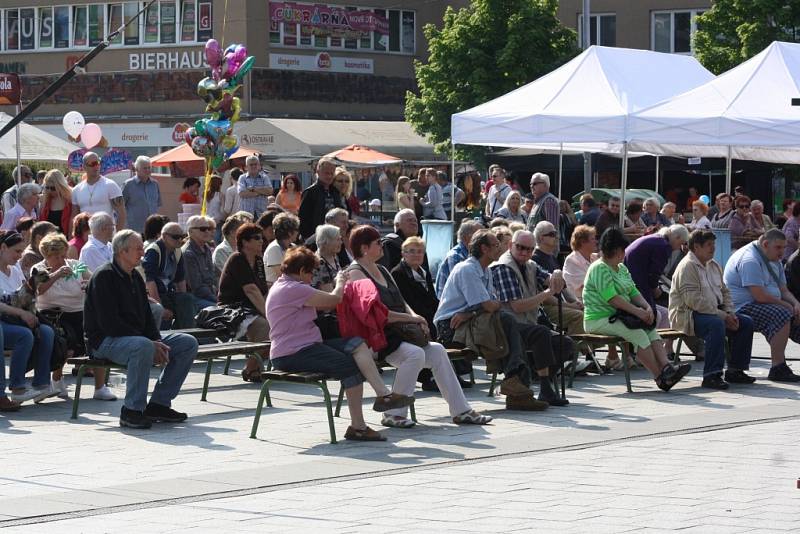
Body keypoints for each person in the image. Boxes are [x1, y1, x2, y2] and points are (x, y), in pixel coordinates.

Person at [347, 226, 492, 427]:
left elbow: (402, 301)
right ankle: (393, 413)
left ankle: (461, 410)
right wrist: (412, 320)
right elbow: (376, 314)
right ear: (364, 248)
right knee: (415, 354)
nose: (382, 246)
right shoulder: (356, 274)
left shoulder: (381, 269)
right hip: (376, 338)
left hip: (398, 333)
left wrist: (416, 316)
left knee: (438, 350)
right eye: (378, 243)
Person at [268, 247, 416, 441]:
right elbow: (333, 300)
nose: (312, 277)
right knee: (350, 367)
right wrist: (340, 281)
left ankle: (383, 394)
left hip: (305, 344)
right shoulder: (293, 288)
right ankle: (358, 427)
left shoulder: (286, 285)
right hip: (292, 353)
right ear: (302, 270)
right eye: (311, 272)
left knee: (357, 343)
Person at [84, 229, 198, 429]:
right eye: (138, 249)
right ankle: (131, 411)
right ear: (122, 251)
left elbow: (146, 316)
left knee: (187, 343)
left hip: (134, 338)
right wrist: (149, 343)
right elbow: (109, 323)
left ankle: (159, 404)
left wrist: (157, 341)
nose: (142, 253)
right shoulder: (104, 277)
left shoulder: (135, 276)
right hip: (104, 341)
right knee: (143, 346)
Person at [434, 229, 553, 410]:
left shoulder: (486, 271)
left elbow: (491, 305)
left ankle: (517, 385)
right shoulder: (467, 269)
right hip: (451, 327)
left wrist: (474, 312)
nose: (501, 248)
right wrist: (479, 310)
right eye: (497, 245)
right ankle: (514, 383)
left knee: (533, 331)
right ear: (484, 249)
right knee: (505, 321)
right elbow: (490, 306)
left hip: (473, 320)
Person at [583, 227, 691, 391]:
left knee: (650, 328)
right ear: (618, 250)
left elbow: (633, 291)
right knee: (638, 333)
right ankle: (660, 378)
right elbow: (612, 299)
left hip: (619, 316)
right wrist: (638, 312)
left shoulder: (621, 268)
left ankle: (667, 367)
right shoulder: (599, 268)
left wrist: (646, 307)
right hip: (598, 319)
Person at [490, 229, 576, 405]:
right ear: (510, 245)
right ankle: (544, 386)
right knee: (541, 332)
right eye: (520, 247)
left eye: (529, 250)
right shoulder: (503, 267)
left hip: (526, 323)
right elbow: (517, 305)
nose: (524, 252)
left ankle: (536, 377)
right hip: (506, 325)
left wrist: (557, 274)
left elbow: (549, 278)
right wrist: (548, 292)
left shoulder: (530, 265)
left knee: (566, 343)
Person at [34, 232, 116, 401]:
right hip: (53, 315)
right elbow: (38, 290)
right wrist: (56, 274)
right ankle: (56, 379)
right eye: (56, 257)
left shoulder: (76, 265)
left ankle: (100, 387)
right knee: (65, 340)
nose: (62, 260)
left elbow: (95, 280)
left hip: (80, 312)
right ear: (46, 256)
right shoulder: (40, 269)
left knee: (98, 336)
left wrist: (89, 285)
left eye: (63, 255)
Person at [670, 230, 755, 389]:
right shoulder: (687, 266)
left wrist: (730, 313)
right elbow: (694, 301)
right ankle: (712, 375)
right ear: (696, 246)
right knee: (716, 325)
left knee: (745, 323)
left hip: (714, 312)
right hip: (687, 315)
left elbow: (725, 292)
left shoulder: (713, 265)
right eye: (709, 245)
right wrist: (723, 316)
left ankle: (736, 370)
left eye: (713, 244)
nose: (713, 248)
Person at [724, 229, 800, 382]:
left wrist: (796, 304)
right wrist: (787, 306)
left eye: (784, 247)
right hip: (740, 307)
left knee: (793, 312)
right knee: (782, 313)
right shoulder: (750, 259)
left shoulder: (773, 258)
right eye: (778, 248)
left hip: (761, 303)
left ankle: (780, 365)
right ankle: (778, 366)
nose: (782, 252)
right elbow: (759, 296)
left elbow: (783, 290)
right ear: (765, 244)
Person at [0, 230, 56, 407]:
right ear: (2, 248)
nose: (19, 257)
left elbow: (26, 294)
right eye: (17, 251)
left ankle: (41, 385)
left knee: (46, 330)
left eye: (21, 252)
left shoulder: (15, 270)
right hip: (4, 321)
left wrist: (30, 311)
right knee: (24, 335)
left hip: (15, 319)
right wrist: (22, 314)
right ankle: (17, 388)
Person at [217, 224, 270, 382]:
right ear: (245, 242)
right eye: (257, 238)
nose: (262, 241)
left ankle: (253, 367)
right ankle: (250, 367)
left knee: (278, 324)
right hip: (232, 309)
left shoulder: (259, 261)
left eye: (262, 238)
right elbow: (251, 290)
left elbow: (262, 291)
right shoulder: (237, 259)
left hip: (250, 309)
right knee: (266, 326)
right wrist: (268, 314)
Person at [391, 236, 443, 391]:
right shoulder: (398, 273)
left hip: (428, 315)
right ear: (403, 254)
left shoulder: (423, 272)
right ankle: (427, 377)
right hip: (410, 318)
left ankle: (445, 373)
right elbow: (408, 302)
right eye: (411, 251)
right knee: (428, 328)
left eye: (420, 252)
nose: (416, 255)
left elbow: (432, 298)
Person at [142, 222, 194, 329]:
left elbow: (180, 280)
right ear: (164, 236)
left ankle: (188, 334)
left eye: (182, 237)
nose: (180, 240)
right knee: (164, 312)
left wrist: (182, 302)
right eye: (176, 237)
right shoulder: (153, 251)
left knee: (187, 299)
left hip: (168, 293)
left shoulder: (177, 251)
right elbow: (149, 282)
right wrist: (161, 308)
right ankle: (164, 338)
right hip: (151, 296)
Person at [71, 152, 126, 229]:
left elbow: (121, 214)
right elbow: (74, 217)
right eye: (92, 164)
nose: (96, 166)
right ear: (84, 167)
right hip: (85, 236)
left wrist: (117, 236)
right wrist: (71, 238)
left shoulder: (110, 185)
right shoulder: (76, 190)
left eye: (98, 163)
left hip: (106, 235)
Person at [434, 219, 483, 298]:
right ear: (466, 238)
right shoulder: (455, 256)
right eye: (479, 236)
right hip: (452, 306)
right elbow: (463, 287)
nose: (483, 239)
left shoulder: (474, 254)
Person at [299, 157, 341, 239]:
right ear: (318, 172)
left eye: (331, 173)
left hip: (333, 235)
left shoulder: (336, 192)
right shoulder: (310, 192)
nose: (329, 176)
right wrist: (309, 239)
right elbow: (303, 219)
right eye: (326, 173)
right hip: (316, 238)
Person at [183, 215, 218, 311]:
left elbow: (213, 278)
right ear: (190, 232)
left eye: (209, 228)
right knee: (222, 311)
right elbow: (197, 287)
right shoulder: (188, 254)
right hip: (196, 298)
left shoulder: (206, 249)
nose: (207, 231)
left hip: (210, 295)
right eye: (203, 229)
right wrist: (217, 300)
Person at [122, 156, 162, 234]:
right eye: (145, 168)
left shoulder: (155, 184)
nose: (148, 170)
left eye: (149, 167)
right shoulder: (128, 184)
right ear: (136, 169)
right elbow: (120, 207)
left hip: (153, 229)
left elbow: (157, 205)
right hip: (134, 229)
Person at [264, 212, 300, 286]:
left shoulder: (293, 247)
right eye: (297, 229)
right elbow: (282, 276)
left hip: (291, 286)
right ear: (290, 233)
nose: (298, 232)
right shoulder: (274, 248)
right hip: (277, 289)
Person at [40, 169, 73, 236]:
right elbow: (41, 221)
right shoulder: (45, 200)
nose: (49, 191)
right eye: (47, 187)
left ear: (60, 186)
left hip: (65, 239)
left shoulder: (70, 200)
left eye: (53, 188)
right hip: (48, 239)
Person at [203, 175, 224, 242]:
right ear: (219, 184)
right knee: (216, 240)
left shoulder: (204, 194)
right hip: (217, 220)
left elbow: (202, 207)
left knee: (207, 240)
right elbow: (223, 210)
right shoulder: (220, 195)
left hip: (206, 219)